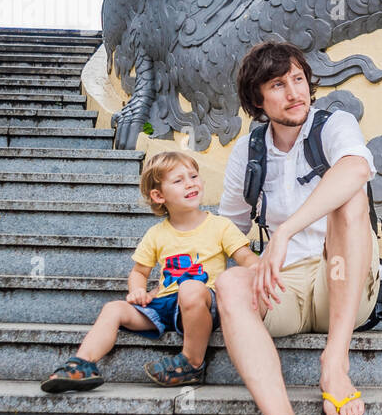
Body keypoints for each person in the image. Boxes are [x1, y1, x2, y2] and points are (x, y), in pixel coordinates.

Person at [214, 41, 382, 415]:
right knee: (230, 285)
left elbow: (356, 169)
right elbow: (226, 231)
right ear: (257, 100)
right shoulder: (247, 153)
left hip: (342, 281)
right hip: (284, 289)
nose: (294, 92)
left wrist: (284, 232)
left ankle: (334, 363)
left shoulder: (333, 123)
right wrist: (245, 263)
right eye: (277, 85)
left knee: (349, 200)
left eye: (298, 79)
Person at [40, 151, 257, 393]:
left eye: (194, 176)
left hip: (204, 305)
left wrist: (259, 270)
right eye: (178, 180)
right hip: (165, 305)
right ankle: (81, 365)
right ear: (158, 195)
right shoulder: (156, 234)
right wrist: (137, 291)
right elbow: (139, 272)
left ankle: (192, 362)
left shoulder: (220, 225)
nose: (190, 183)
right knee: (113, 308)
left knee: (191, 288)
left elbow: (244, 256)